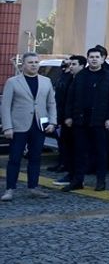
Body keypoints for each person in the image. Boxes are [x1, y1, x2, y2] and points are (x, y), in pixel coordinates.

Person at [63, 45, 109, 192]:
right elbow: (71, 96)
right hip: (80, 120)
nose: (94, 59)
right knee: (79, 151)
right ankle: (77, 180)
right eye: (91, 57)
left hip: (100, 121)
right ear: (88, 59)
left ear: (102, 59)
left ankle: (100, 181)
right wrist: (68, 116)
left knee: (100, 152)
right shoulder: (81, 75)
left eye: (97, 57)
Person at [2, 53, 58, 201]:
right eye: (30, 62)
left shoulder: (46, 81)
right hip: (18, 125)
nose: (34, 65)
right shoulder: (13, 82)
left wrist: (52, 122)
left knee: (35, 158)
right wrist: (7, 127)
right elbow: (5, 106)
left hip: (39, 125)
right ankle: (10, 189)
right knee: (14, 158)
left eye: (36, 62)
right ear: (23, 65)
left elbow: (51, 104)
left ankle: (33, 187)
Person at [51, 55, 85, 180]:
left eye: (71, 64)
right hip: (62, 114)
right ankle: (63, 164)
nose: (68, 66)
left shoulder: (76, 78)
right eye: (67, 64)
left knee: (71, 145)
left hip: (71, 117)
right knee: (63, 142)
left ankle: (70, 170)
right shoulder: (65, 76)